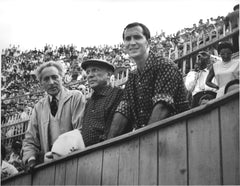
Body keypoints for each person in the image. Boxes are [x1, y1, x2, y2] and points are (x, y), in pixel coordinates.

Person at [108, 22, 189, 138]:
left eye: (137, 37)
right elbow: (124, 110)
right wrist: (107, 144)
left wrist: (144, 140)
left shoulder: (164, 65)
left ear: (148, 42)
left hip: (178, 135)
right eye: (127, 39)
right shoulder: (132, 76)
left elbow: (162, 106)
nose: (132, 42)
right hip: (151, 139)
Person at [22, 61, 86, 171]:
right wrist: (31, 159)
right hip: (49, 167)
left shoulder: (75, 97)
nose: (51, 82)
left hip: (73, 161)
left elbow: (80, 130)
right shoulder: (38, 108)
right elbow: (30, 140)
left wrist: (59, 151)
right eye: (46, 79)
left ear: (62, 77)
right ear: (41, 83)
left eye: (55, 77)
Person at [80, 59, 124, 146]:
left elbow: (114, 131)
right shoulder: (89, 102)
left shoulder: (118, 94)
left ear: (108, 74)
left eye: (95, 70)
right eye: (88, 72)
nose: (90, 75)